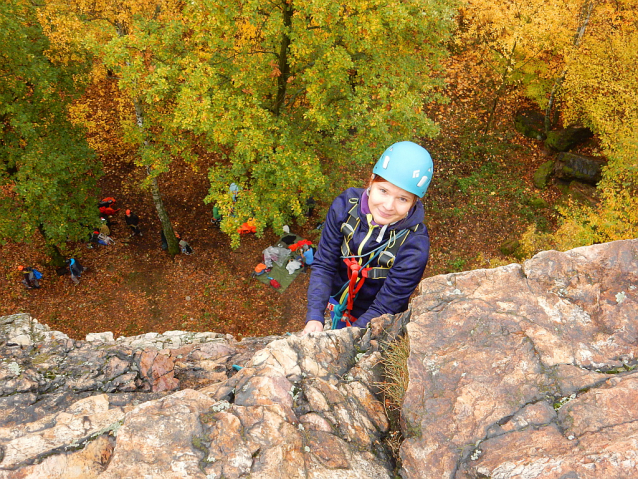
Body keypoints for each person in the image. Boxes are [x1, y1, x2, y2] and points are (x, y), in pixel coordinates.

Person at [303, 141, 433, 334]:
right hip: (338, 299)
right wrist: (314, 316)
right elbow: (324, 263)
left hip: (377, 316)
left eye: (403, 199)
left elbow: (385, 306)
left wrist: (348, 340)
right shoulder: (345, 206)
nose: (389, 206)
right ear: (371, 181)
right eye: (383, 190)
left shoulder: (414, 245)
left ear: (414, 201)